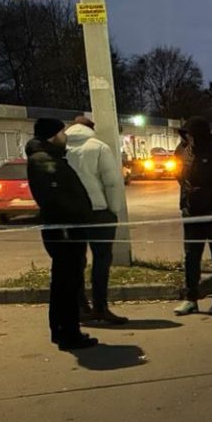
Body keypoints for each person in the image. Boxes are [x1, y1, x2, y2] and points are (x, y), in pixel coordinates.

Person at [25, 118, 98, 351]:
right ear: (52, 135)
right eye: (62, 132)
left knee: (64, 282)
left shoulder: (50, 157)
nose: (65, 136)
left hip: (66, 229)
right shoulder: (44, 161)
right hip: (65, 231)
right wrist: (78, 216)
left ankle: (62, 331)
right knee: (66, 283)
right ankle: (68, 334)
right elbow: (56, 198)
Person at [65, 115, 129, 325]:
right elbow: (111, 182)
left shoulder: (61, 148)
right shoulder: (98, 147)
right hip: (98, 212)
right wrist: (114, 209)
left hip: (71, 214)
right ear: (91, 129)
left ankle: (80, 306)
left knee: (75, 261)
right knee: (101, 260)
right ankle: (100, 307)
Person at [174, 117, 212, 316]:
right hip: (192, 215)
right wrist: (186, 203)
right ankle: (191, 298)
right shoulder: (183, 152)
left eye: (191, 134)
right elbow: (181, 179)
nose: (188, 138)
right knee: (191, 257)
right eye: (186, 135)